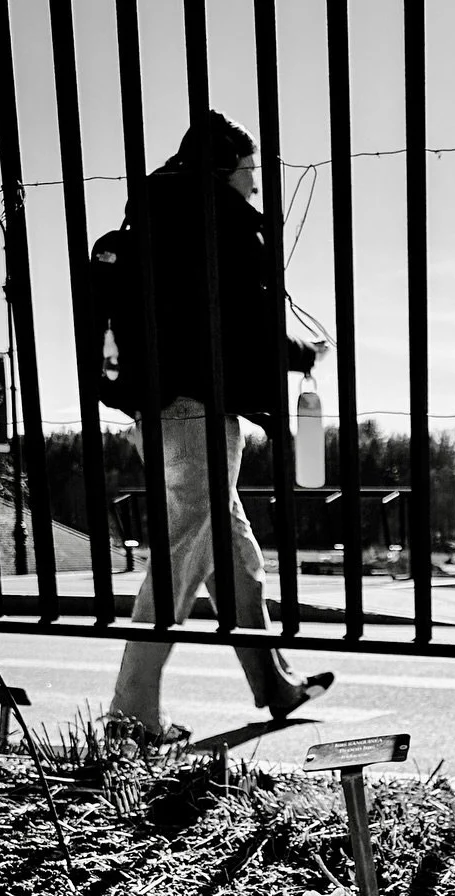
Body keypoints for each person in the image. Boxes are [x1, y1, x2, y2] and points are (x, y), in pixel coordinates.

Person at [108, 110, 332, 744]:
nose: (255, 186)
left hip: (160, 408)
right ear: (224, 169)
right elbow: (238, 319)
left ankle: (276, 686)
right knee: (182, 554)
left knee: (235, 557)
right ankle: (130, 716)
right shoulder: (214, 222)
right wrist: (303, 354)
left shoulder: (155, 217)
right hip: (197, 410)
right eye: (249, 171)